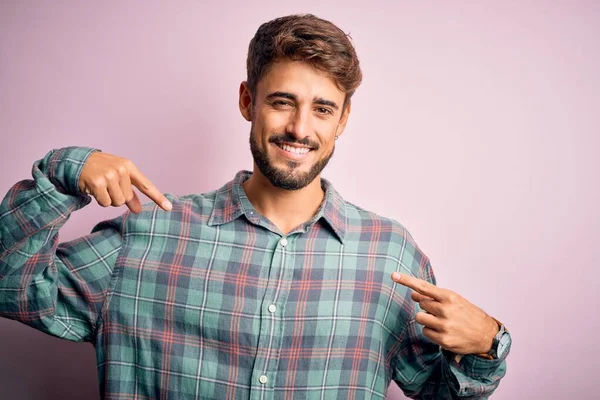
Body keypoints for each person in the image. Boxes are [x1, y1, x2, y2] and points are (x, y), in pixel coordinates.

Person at [0, 14, 511, 400]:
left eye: (322, 109)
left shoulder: (389, 255)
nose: (299, 128)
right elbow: (9, 285)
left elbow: (439, 393)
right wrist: (69, 171)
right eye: (282, 101)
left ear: (343, 120)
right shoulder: (148, 233)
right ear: (248, 101)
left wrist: (487, 345)